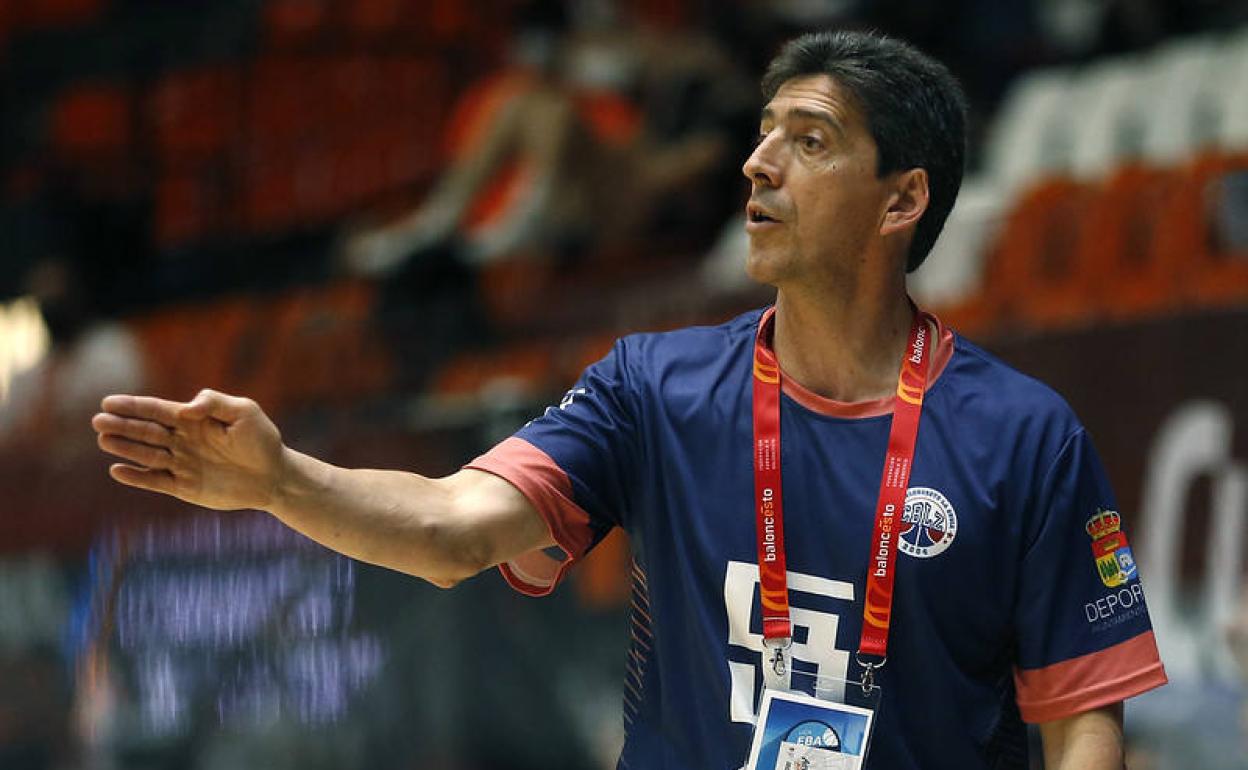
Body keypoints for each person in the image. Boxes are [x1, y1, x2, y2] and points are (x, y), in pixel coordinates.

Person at [92, 30, 1166, 769]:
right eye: (763, 131)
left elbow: (1081, 724)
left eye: (810, 139)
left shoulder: (1022, 434)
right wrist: (285, 480)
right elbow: (451, 531)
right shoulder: (652, 385)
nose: (756, 164)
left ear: (904, 199)